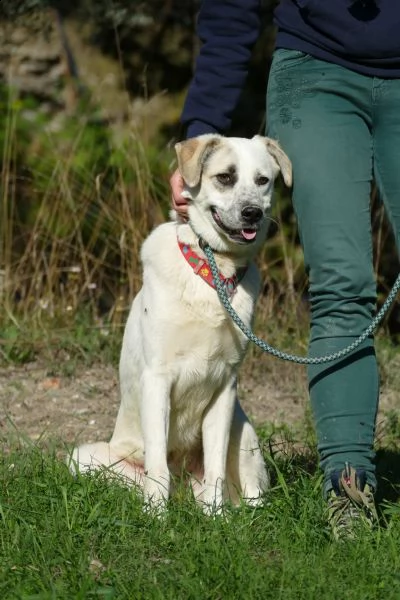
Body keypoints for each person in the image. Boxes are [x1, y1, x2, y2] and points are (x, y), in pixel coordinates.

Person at [170, 0, 400, 539]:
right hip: (317, 74)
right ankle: (349, 493)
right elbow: (232, 11)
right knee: (343, 285)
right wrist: (202, 127)